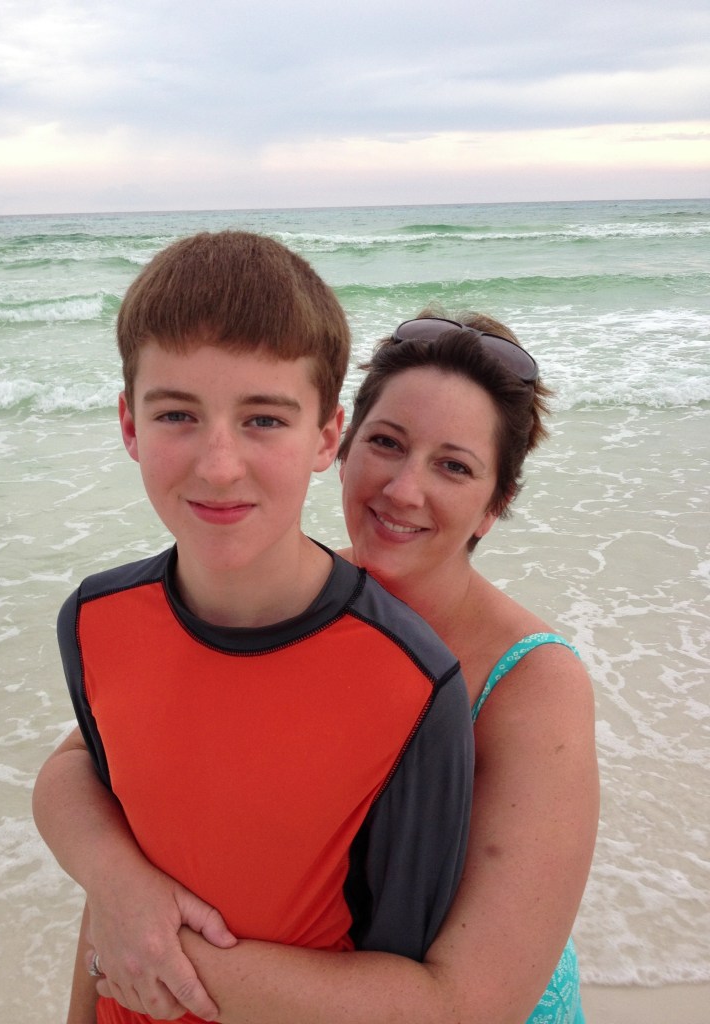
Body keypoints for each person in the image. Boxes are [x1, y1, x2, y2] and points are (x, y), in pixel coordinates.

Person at [36, 306, 599, 1024]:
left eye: (454, 466)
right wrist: (118, 882)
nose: (403, 488)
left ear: (495, 505)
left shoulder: (534, 683)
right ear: (339, 444)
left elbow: (469, 1007)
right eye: (387, 443)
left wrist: (151, 950)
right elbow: (90, 767)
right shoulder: (283, 599)